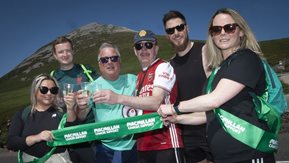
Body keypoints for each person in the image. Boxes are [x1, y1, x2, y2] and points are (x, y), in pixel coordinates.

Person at [158, 8, 276, 162]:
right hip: (224, 156)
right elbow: (212, 113)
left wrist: (174, 107)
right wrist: (177, 118)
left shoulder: (246, 58)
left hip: (249, 153)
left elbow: (214, 100)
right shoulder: (219, 70)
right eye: (216, 29)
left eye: (229, 27)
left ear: (241, 31)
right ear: (211, 35)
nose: (222, 33)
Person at [83, 30, 184, 163]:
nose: (143, 49)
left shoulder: (162, 67)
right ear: (135, 51)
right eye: (139, 46)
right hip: (143, 145)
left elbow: (155, 102)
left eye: (148, 45)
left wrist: (117, 98)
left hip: (165, 142)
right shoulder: (139, 77)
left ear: (156, 48)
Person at [162, 10, 212, 163]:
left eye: (179, 27)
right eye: (171, 30)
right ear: (167, 36)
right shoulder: (169, 65)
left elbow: (216, 92)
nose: (176, 32)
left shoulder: (205, 51)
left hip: (212, 126)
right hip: (188, 132)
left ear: (187, 28)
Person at [76, 42, 138, 163]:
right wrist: (82, 107)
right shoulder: (92, 87)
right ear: (99, 64)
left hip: (135, 144)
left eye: (113, 58)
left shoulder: (133, 79)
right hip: (107, 148)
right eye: (104, 60)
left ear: (119, 61)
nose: (109, 62)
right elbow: (81, 116)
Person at [7, 74, 76, 162]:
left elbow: (73, 133)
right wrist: (37, 137)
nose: (49, 93)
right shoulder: (23, 114)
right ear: (35, 90)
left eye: (53, 90)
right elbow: (11, 142)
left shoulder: (61, 113)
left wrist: (70, 109)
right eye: (44, 89)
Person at [52, 36, 99, 163]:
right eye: (61, 52)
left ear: (73, 51)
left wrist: (91, 97)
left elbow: (101, 89)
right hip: (68, 135)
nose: (65, 54)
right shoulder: (52, 78)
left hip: (92, 133)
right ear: (55, 55)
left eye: (68, 50)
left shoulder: (87, 70)